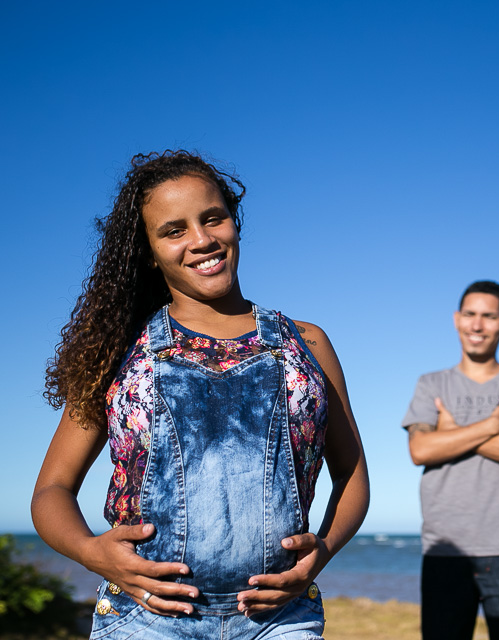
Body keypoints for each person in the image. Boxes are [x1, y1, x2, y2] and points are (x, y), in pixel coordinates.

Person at [32, 150, 369, 639]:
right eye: (174, 230)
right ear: (148, 250)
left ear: (234, 222)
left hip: (278, 620)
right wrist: (91, 551)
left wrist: (322, 551)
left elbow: (352, 473)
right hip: (145, 618)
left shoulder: (307, 342)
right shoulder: (121, 351)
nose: (202, 240)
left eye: (213, 219)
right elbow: (51, 490)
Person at [402, 281, 499, 640]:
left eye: (489, 316)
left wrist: (452, 432)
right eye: (470, 314)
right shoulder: (431, 384)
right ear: (456, 319)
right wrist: (493, 426)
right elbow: (420, 450)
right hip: (445, 548)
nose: (478, 325)